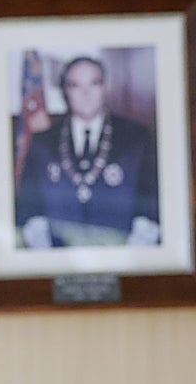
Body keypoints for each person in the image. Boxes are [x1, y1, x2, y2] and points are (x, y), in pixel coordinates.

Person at [15, 55, 160, 248]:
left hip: (121, 252)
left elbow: (152, 205)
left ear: (105, 87)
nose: (86, 93)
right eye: (75, 85)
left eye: (94, 83)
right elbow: (28, 208)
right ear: (65, 91)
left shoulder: (136, 138)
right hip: (60, 255)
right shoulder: (44, 142)